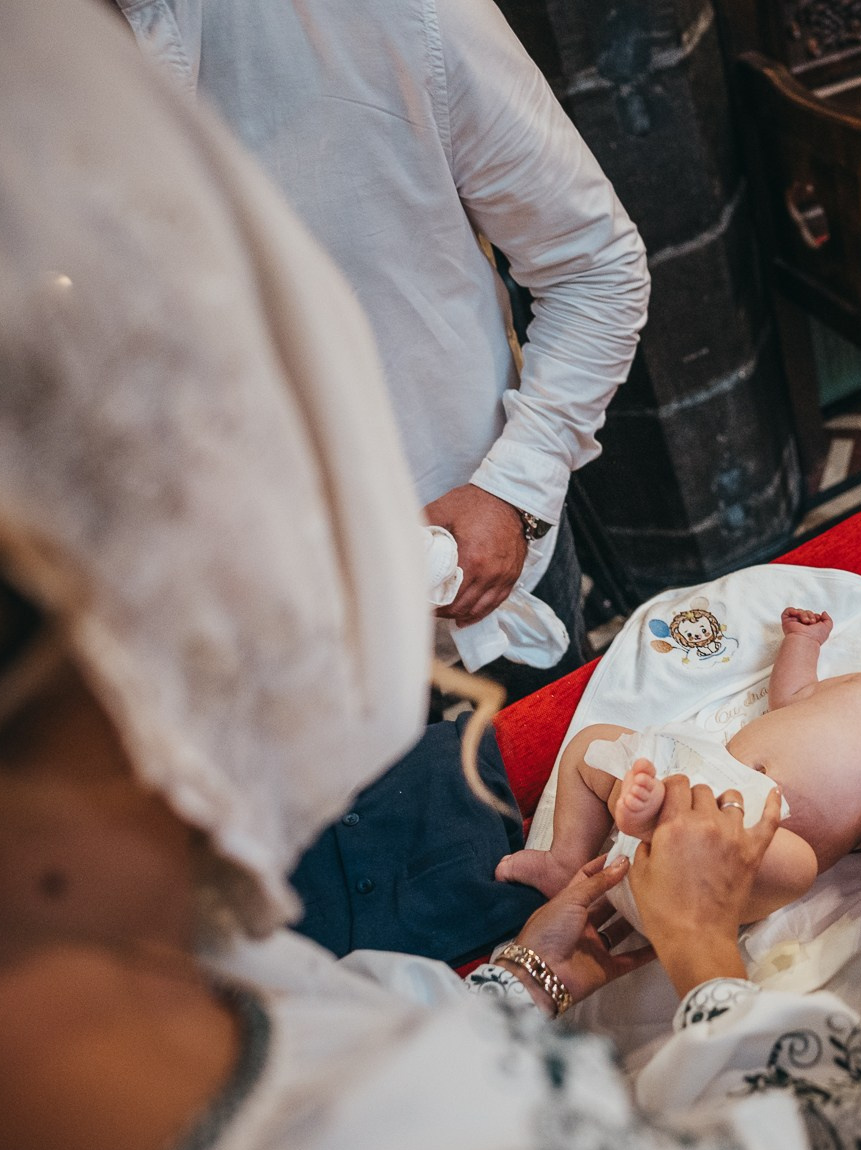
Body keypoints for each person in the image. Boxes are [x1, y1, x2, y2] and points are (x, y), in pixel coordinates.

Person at [0, 4, 861, 1150]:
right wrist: (704, 952)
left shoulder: (381, 20)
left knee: (480, 891)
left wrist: (518, 972)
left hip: (470, 641)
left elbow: (592, 260)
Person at [112, 0, 651, 693]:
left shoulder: (395, 13)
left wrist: (516, 488)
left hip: (478, 570)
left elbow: (593, 264)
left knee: (561, 795)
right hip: (240, 650)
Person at [500, 595, 861, 927]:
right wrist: (802, 645)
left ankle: (660, 822)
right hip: (698, 781)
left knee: (797, 866)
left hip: (741, 859)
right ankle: (566, 859)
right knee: (594, 742)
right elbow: (791, 698)